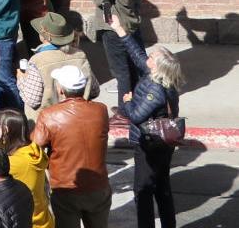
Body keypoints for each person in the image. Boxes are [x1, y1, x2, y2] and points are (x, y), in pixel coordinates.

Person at [111, 15, 182, 228]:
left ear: (157, 66)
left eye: (151, 57)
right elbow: (137, 56)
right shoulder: (162, 78)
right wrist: (120, 29)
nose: (147, 58)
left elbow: (136, 116)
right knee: (162, 188)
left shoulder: (155, 89)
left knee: (143, 191)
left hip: (150, 144)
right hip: (163, 143)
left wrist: (129, 100)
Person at [32, 65, 110, 228]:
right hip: (98, 185)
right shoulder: (101, 110)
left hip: (65, 188)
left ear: (61, 90)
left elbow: (35, 146)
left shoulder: (49, 115)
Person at [81, 0, 143, 101]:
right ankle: (136, 101)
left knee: (120, 70)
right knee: (132, 66)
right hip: (130, 22)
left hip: (115, 27)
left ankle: (124, 110)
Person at [23, 13, 96, 114]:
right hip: (78, 115)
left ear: (43, 37)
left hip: (48, 121)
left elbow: (32, 101)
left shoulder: (37, 60)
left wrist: (21, 80)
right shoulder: (80, 55)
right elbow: (94, 90)